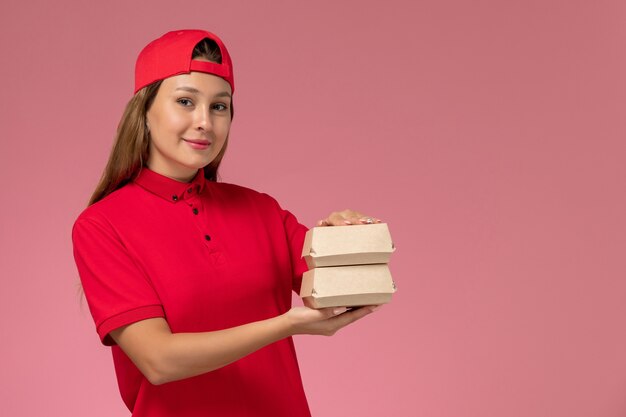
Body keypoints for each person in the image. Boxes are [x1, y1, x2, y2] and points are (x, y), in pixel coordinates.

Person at [71, 29, 383, 417]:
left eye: (220, 106)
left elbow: (348, 294)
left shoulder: (262, 210)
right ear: (144, 111)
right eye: (185, 101)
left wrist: (348, 241)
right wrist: (285, 325)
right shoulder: (102, 225)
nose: (204, 121)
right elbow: (159, 361)